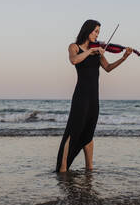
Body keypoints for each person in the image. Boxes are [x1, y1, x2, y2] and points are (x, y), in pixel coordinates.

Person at [55, 19, 132, 173]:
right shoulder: (74, 47)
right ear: (87, 30)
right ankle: (63, 168)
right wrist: (90, 51)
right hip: (81, 96)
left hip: (94, 97)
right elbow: (73, 60)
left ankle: (89, 167)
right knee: (74, 130)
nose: (97, 34)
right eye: (95, 31)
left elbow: (108, 68)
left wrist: (124, 58)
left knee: (89, 132)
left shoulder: (98, 51)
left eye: (98, 32)